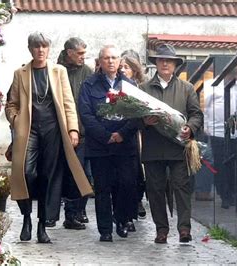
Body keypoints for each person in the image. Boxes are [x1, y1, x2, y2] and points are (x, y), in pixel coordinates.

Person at [5, 32, 93, 243]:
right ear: (30, 49)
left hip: (53, 129)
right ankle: (26, 217)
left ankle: (42, 225)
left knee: (47, 177)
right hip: (29, 130)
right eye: (36, 47)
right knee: (25, 173)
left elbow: (68, 102)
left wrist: (73, 129)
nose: (40, 50)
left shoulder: (58, 71)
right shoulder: (21, 73)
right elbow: (11, 104)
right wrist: (16, 120)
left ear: (49, 49)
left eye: (44, 47)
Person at [140, 44, 203, 243]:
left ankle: (184, 229)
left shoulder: (187, 88)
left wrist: (190, 128)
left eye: (169, 60)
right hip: (154, 148)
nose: (165, 63)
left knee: (182, 188)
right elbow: (132, 119)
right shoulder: (144, 89)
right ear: (156, 63)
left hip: (178, 148)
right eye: (161, 60)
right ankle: (161, 230)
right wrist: (143, 121)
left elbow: (196, 114)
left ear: (176, 64)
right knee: (155, 190)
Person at [78, 45, 138, 242]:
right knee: (103, 188)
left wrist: (121, 133)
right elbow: (86, 114)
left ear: (120, 61)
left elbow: (137, 113)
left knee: (126, 184)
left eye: (114, 57)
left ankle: (121, 219)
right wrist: (106, 135)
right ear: (100, 62)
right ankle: (105, 230)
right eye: (106, 58)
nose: (110, 61)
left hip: (124, 145)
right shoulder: (89, 85)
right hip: (99, 146)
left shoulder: (130, 85)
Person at [43, 37, 94, 230]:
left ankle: (74, 214)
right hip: (56, 132)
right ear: (69, 52)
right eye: (80, 53)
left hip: (80, 133)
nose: (83, 57)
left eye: (84, 53)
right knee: (55, 174)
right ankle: (49, 215)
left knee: (78, 175)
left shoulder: (87, 72)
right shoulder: (54, 71)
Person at [203, 66, 237, 209]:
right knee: (220, 164)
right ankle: (224, 195)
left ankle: (232, 192)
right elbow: (206, 107)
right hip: (217, 131)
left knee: (233, 164)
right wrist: (206, 125)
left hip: (235, 131)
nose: (236, 77)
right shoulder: (211, 85)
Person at [119, 51, 147, 229]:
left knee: (139, 171)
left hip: (139, 134)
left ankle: (137, 201)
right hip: (123, 133)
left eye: (126, 67)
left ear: (134, 70)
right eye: (121, 67)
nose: (122, 70)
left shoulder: (141, 88)